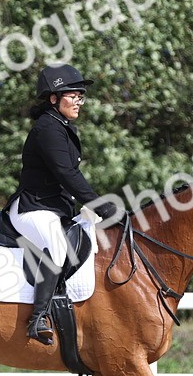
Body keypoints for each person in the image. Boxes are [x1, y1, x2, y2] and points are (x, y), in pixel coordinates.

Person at [6, 64, 119, 345]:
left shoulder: (61, 127)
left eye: (81, 95)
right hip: (31, 208)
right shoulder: (47, 129)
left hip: (52, 209)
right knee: (58, 247)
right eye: (74, 95)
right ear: (53, 99)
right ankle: (38, 318)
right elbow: (67, 174)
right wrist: (102, 206)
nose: (80, 100)